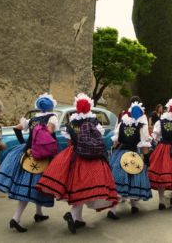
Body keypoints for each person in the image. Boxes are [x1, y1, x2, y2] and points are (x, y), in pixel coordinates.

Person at [36, 93, 118, 234]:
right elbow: (100, 140)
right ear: (89, 106)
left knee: (76, 188)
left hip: (74, 156)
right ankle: (74, 216)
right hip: (92, 160)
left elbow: (69, 143)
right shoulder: (94, 122)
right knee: (85, 188)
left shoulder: (72, 123)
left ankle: (78, 219)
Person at [0, 93, 59, 232]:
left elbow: (16, 128)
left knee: (36, 185)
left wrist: (25, 144)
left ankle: (39, 214)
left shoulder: (32, 119)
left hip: (28, 153)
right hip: (42, 156)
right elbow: (49, 133)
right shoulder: (52, 118)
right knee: (30, 187)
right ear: (51, 106)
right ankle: (16, 218)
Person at [107, 101, 152, 219]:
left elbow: (115, 141)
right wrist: (147, 159)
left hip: (120, 154)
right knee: (134, 179)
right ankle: (134, 205)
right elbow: (144, 145)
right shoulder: (141, 126)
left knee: (119, 180)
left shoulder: (122, 123)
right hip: (134, 155)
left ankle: (113, 210)